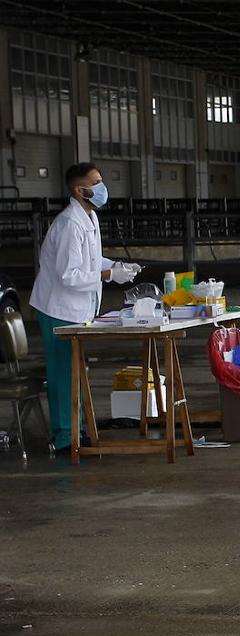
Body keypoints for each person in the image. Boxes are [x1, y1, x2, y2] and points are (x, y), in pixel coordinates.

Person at [29, 162, 140, 452]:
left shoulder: (88, 217)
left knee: (76, 371)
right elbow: (69, 275)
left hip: (76, 309)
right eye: (97, 183)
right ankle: (66, 436)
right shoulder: (69, 224)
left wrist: (116, 267)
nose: (103, 188)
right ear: (80, 190)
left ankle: (76, 428)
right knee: (64, 372)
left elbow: (91, 260)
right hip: (57, 309)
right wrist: (107, 275)